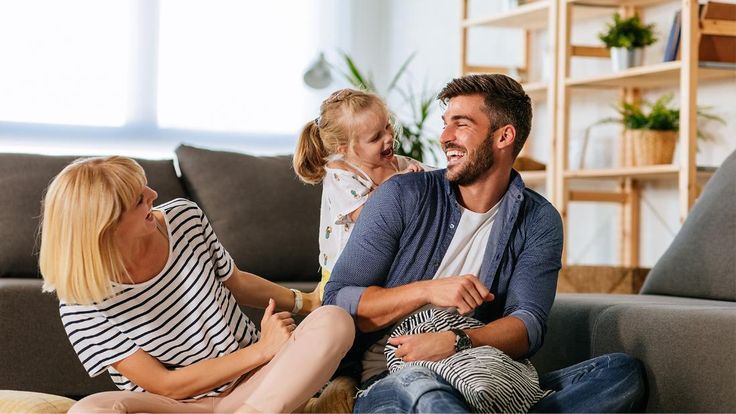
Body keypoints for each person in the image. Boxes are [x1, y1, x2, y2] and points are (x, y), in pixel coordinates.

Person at [323, 74, 646, 413]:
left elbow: (528, 325)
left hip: (480, 376)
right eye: (445, 124)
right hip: (391, 377)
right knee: (426, 390)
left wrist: (457, 341)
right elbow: (338, 299)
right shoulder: (401, 194)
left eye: (460, 125)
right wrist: (428, 291)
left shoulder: (539, 220)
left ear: (504, 136)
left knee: (620, 373)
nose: (445, 137)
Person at [38, 156, 355, 413]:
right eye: (139, 199)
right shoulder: (80, 306)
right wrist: (262, 350)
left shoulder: (182, 218)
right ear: (107, 226)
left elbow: (237, 281)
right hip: (173, 406)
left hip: (255, 383)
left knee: (334, 321)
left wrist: (307, 302)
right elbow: (165, 385)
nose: (153, 196)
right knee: (88, 411)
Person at [293, 88, 428, 300]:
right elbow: (368, 214)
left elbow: (438, 180)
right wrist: (399, 182)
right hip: (343, 274)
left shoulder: (399, 165)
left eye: (387, 126)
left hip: (384, 268)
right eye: (376, 137)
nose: (389, 137)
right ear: (345, 148)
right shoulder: (339, 174)